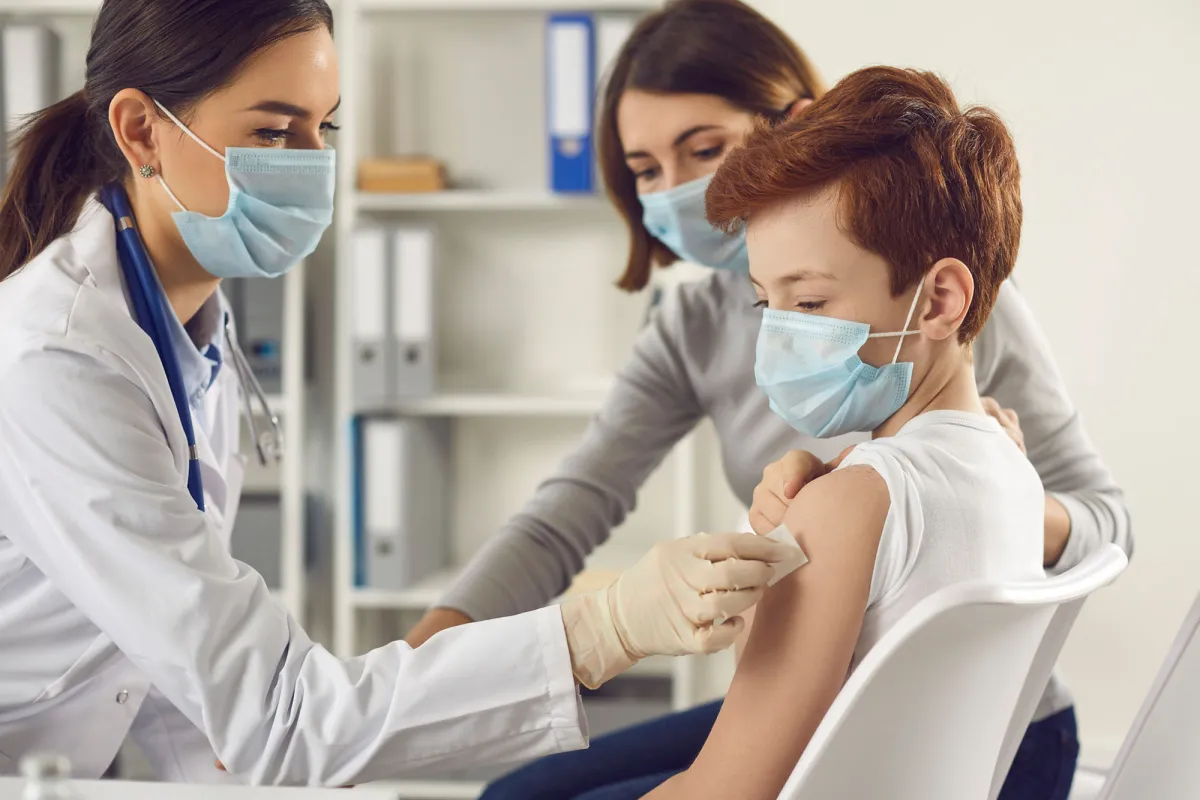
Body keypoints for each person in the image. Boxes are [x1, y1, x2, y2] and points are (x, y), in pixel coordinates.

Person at [0, 0, 796, 786]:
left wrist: (287, 739)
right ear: (141, 130)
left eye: (324, 129)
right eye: (274, 134)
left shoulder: (182, 323)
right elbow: (269, 711)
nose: (311, 165)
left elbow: (180, 663)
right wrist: (602, 629)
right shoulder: (61, 356)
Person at [406, 2, 1131, 799]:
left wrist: (916, 500)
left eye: (704, 150)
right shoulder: (693, 330)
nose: (680, 192)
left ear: (794, 126)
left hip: (987, 722)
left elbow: (1102, 520)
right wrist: (412, 681)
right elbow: (569, 509)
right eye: (646, 170)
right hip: (855, 690)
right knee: (522, 792)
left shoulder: (938, 296)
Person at [644, 63, 1043, 798]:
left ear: (940, 300)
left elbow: (727, 790)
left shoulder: (855, 501)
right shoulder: (1011, 466)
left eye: (812, 301)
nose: (780, 339)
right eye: (769, 305)